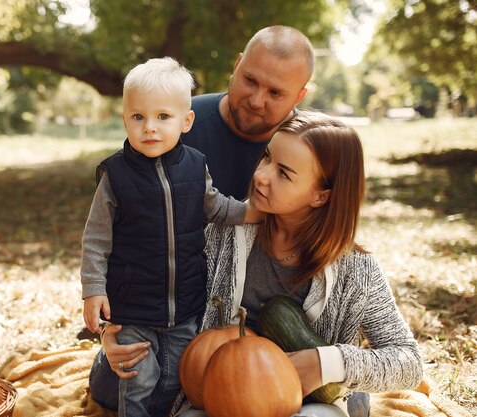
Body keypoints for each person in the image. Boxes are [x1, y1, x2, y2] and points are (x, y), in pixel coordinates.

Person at [90, 111, 424, 417]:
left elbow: (408, 362)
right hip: (217, 392)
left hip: (305, 401)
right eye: (266, 157)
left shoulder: (356, 268)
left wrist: (327, 362)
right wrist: (110, 333)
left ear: (321, 195)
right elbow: (149, 281)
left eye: (284, 173)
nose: (261, 176)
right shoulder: (219, 232)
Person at [80, 57, 261, 417]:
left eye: (163, 117)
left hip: (186, 303)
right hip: (132, 306)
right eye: (138, 117)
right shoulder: (114, 175)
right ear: (125, 119)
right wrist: (93, 290)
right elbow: (96, 239)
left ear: (186, 121)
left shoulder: (195, 165)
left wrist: (254, 212)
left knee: (177, 377)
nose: (150, 127)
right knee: (139, 377)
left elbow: (217, 207)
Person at [181, 25, 314, 200]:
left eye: (275, 93)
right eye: (250, 80)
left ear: (299, 97)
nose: (256, 102)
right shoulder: (180, 122)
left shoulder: (311, 150)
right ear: (237, 66)